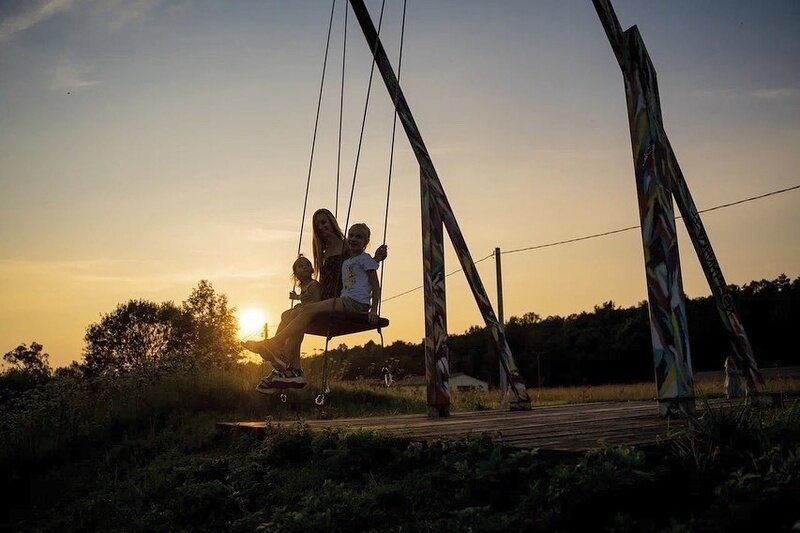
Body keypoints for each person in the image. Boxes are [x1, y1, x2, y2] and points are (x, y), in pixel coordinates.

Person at [244, 209, 385, 390]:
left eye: (324, 222)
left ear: (332, 223)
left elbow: (362, 265)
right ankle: (289, 367)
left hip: (343, 300)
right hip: (326, 300)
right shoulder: (323, 252)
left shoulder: (347, 246)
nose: (322, 227)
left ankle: (280, 356)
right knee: (288, 314)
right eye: (318, 224)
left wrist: (378, 259)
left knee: (301, 313)